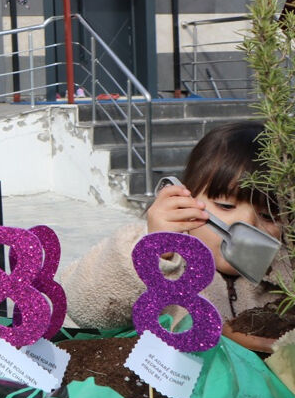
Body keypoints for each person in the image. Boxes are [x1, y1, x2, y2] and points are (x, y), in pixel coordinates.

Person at [60, 121, 290, 330]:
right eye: (225, 206)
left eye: (269, 216)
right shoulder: (167, 262)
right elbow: (85, 308)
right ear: (185, 198)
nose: (247, 224)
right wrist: (152, 253)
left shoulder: (285, 275)